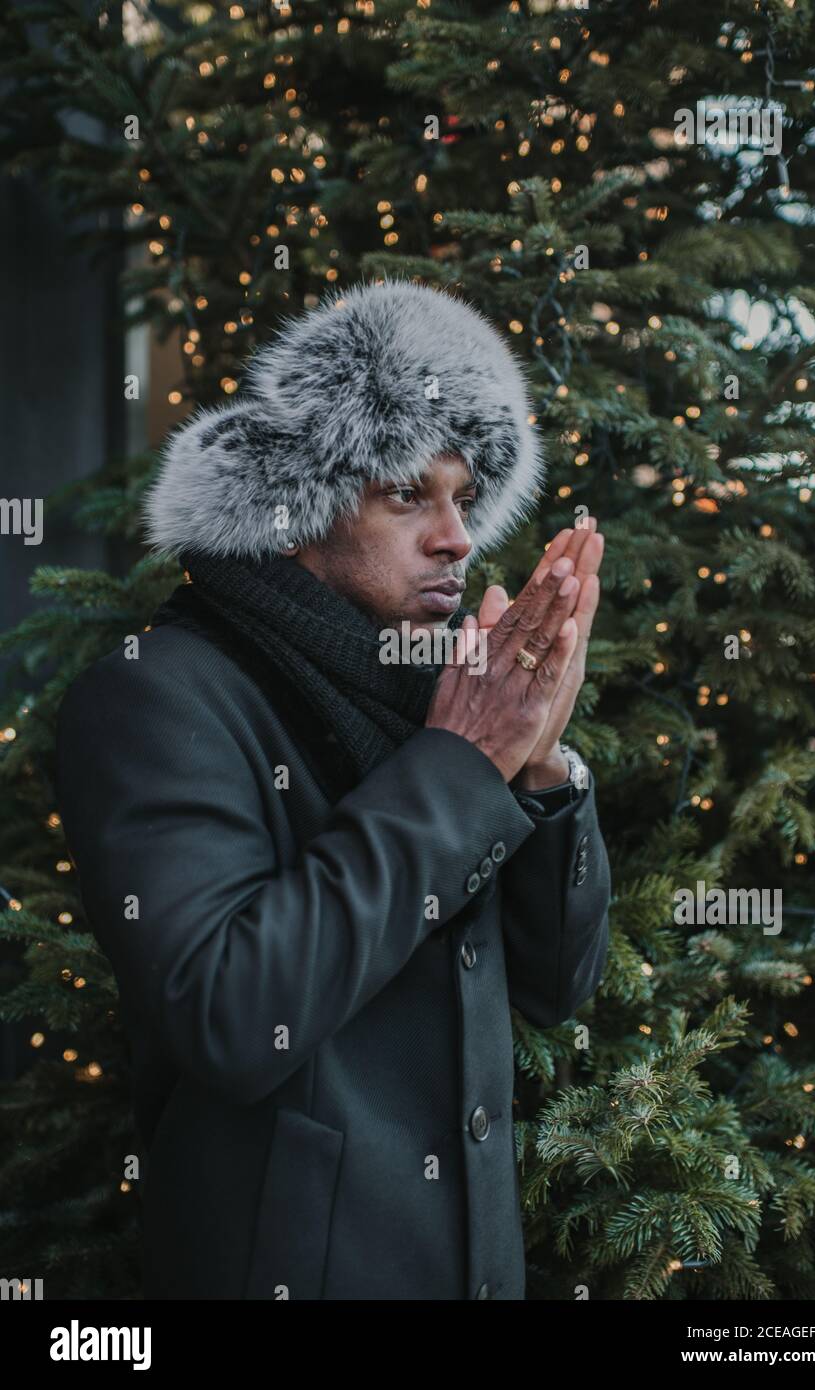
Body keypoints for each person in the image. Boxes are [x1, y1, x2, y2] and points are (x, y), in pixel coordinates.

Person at [54, 279, 611, 1300]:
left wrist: (536, 762)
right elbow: (230, 1012)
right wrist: (460, 763)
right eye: (407, 493)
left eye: (461, 497)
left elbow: (551, 983)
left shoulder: (428, 687)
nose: (456, 536)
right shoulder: (155, 693)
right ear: (295, 510)